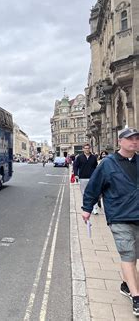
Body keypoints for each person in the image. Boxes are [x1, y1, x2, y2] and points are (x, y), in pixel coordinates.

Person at [81, 127, 139, 316]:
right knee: (128, 253)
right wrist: (87, 209)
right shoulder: (107, 164)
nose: (134, 142)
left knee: (134, 254)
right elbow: (93, 186)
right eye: (130, 139)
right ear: (120, 142)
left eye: (137, 139)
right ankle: (136, 297)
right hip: (119, 216)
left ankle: (125, 284)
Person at [73, 143, 98, 213]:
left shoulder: (93, 157)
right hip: (82, 178)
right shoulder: (79, 157)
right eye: (85, 148)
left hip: (92, 178)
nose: (87, 149)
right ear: (83, 149)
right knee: (84, 193)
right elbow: (75, 166)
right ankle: (87, 207)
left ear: (90, 149)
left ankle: (94, 208)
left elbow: (96, 167)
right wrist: (75, 174)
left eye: (88, 148)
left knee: (93, 193)